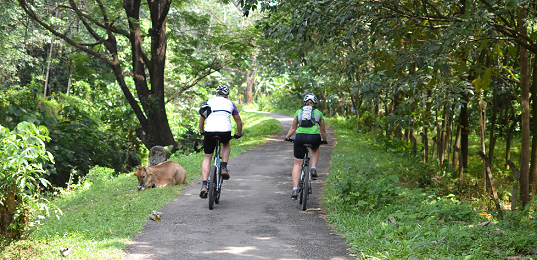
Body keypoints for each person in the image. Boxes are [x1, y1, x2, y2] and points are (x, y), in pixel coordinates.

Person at [198, 84, 242, 198]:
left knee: (207, 157)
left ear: (216, 93)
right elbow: (239, 122)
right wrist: (238, 134)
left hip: (209, 131)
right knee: (226, 143)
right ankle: (224, 166)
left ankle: (204, 185)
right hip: (225, 131)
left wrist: (202, 132)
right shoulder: (230, 103)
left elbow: (201, 119)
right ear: (227, 95)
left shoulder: (209, 102)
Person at [284, 93, 328, 200]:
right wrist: (324, 141)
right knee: (315, 148)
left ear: (305, 102)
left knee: (297, 164)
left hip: (300, 137)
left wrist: (287, 137)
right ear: (315, 103)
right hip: (314, 138)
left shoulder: (299, 112)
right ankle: (313, 168)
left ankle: (295, 189)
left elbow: (293, 129)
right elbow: (323, 131)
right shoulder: (319, 113)